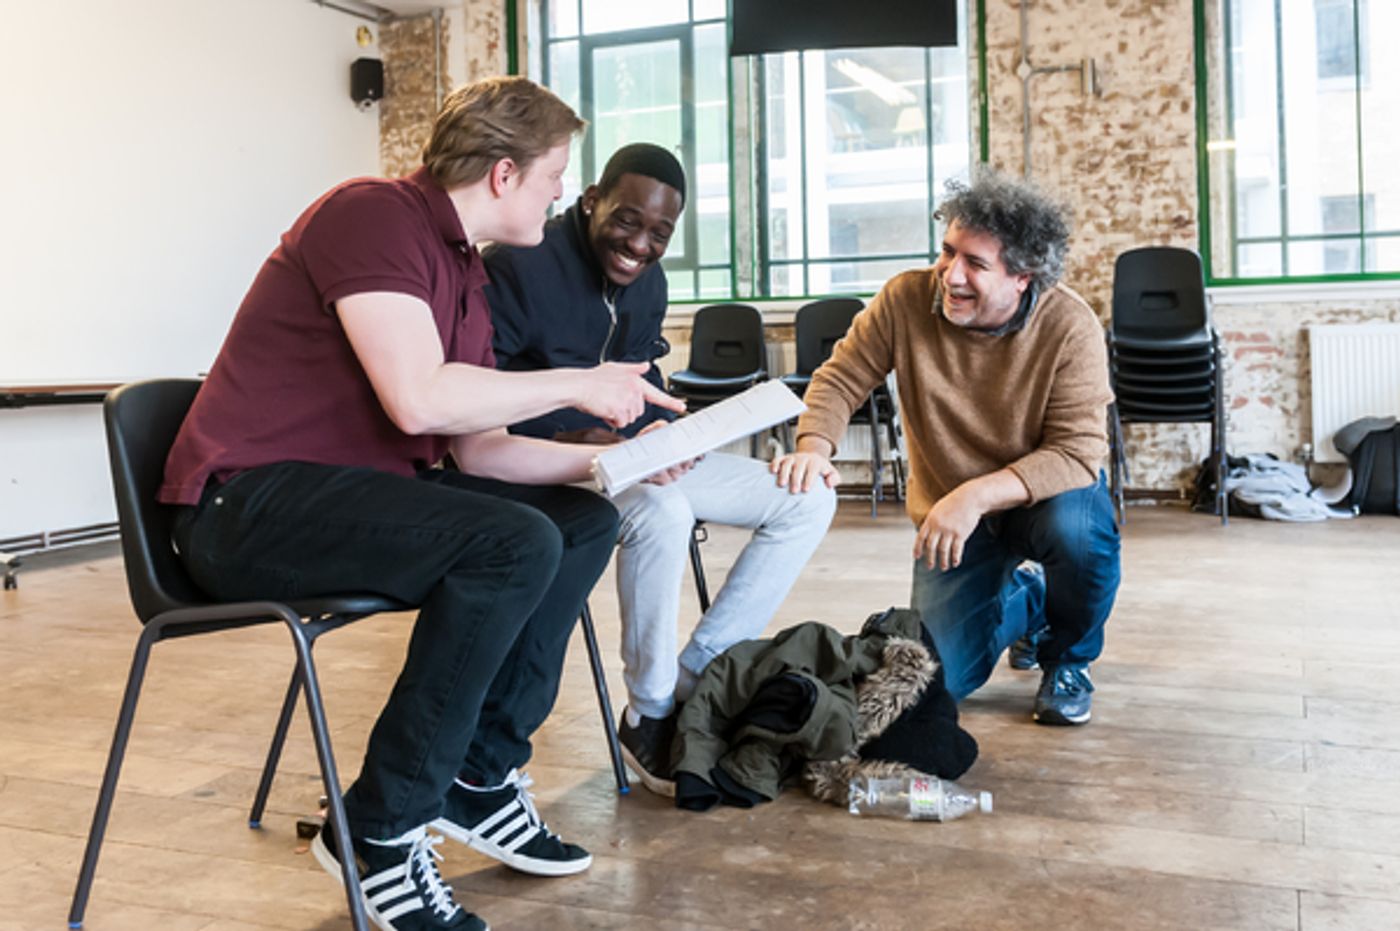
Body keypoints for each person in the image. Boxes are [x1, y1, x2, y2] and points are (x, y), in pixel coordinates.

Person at [159, 77, 684, 931]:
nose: (561, 194)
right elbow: (417, 401)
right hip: (247, 507)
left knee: (582, 519)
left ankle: (478, 775)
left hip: (354, 500)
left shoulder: (466, 272)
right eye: (556, 175)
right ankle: (380, 826)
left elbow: (480, 449)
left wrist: (617, 462)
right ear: (506, 173)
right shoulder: (371, 214)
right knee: (510, 544)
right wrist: (584, 384)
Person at [485, 143, 837, 794]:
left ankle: (699, 677)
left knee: (808, 497)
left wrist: (674, 435)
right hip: (552, 465)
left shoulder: (650, 283)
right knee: (663, 510)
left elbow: (646, 382)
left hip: (635, 458)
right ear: (591, 198)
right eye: (626, 220)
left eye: (659, 234)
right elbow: (481, 404)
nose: (639, 245)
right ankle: (649, 710)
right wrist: (579, 432)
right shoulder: (519, 265)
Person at [772, 169, 1121, 726]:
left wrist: (975, 496)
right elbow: (839, 378)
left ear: (1022, 278)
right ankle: (1028, 602)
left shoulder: (1069, 326)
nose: (951, 275)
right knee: (944, 681)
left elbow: (1077, 453)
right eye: (947, 252)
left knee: (1079, 535)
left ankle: (1068, 659)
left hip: (1043, 499)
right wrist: (815, 446)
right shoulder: (905, 300)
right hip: (954, 513)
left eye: (975, 264)